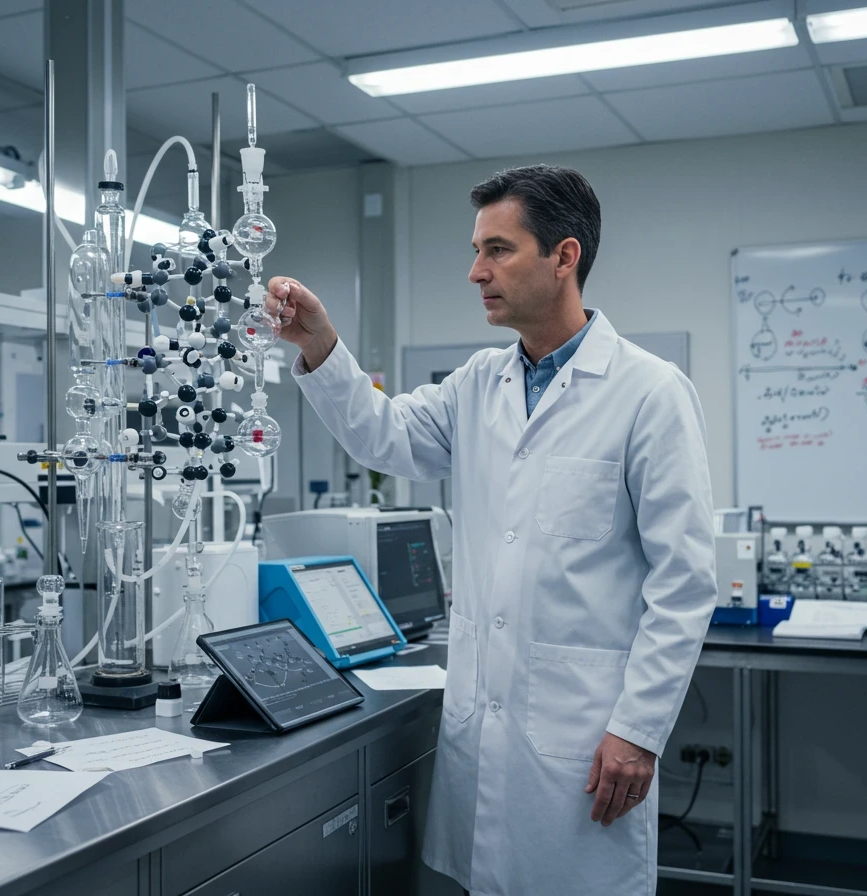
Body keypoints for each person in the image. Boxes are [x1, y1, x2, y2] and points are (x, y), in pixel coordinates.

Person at [266, 164, 716, 896]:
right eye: (477, 251)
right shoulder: (479, 383)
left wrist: (638, 729)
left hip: (584, 736)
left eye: (498, 250)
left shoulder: (649, 392)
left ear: (564, 257)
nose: (476, 272)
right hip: (486, 728)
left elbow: (685, 582)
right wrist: (320, 344)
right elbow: (385, 438)